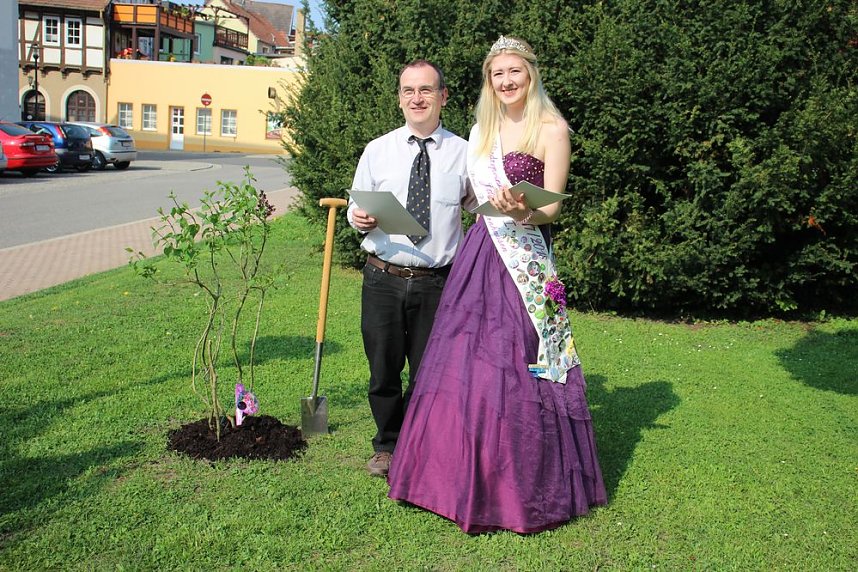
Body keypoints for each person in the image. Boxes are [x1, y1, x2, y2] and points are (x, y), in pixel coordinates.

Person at [387, 36, 607, 533]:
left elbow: (551, 206)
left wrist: (524, 209)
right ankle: (448, 476)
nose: (506, 82)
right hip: (480, 253)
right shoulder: (481, 130)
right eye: (497, 74)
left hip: (525, 259)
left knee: (516, 360)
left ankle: (520, 485)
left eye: (515, 72)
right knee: (466, 358)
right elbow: (469, 197)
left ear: (531, 74)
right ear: (490, 81)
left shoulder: (552, 128)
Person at [347, 60, 475, 477]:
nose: (416, 98)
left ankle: (420, 443)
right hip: (382, 277)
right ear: (400, 98)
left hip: (438, 283)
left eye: (425, 90)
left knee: (429, 371)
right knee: (383, 368)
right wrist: (359, 218)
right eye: (408, 91)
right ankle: (386, 445)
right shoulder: (377, 149)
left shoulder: (464, 153)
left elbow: (480, 208)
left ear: (443, 96)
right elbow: (356, 206)